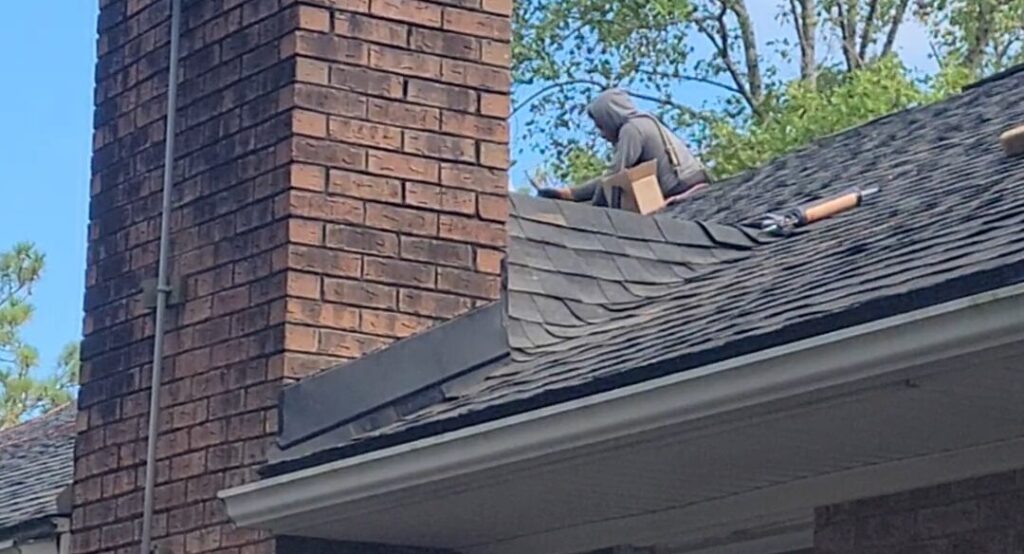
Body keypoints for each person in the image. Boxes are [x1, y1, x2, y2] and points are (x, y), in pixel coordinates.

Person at [537, 88, 711, 206]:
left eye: (601, 126)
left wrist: (584, 206)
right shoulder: (645, 122)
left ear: (611, 118)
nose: (602, 134)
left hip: (681, 187)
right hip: (693, 180)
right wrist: (574, 194)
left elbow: (613, 177)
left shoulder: (632, 129)